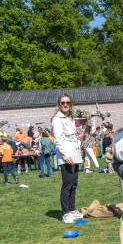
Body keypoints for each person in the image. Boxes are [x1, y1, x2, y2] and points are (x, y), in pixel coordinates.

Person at [52, 94, 83, 224]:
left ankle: (72, 209)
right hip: (67, 156)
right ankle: (65, 213)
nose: (65, 105)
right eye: (63, 102)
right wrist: (66, 156)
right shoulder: (57, 119)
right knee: (67, 184)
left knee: (74, 184)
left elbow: (70, 137)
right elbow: (58, 141)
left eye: (68, 102)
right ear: (59, 104)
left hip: (74, 155)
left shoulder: (69, 119)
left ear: (71, 105)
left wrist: (78, 139)